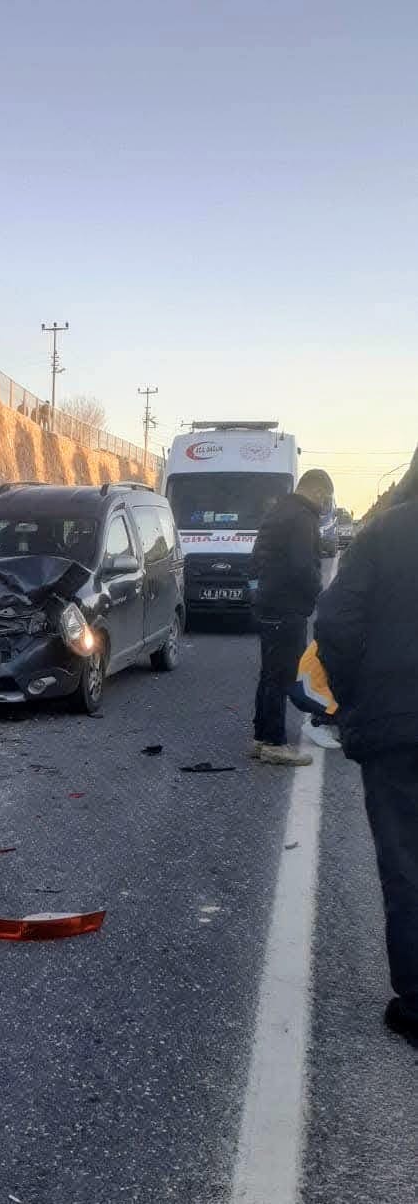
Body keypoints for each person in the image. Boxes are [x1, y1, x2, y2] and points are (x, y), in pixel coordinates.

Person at [316, 448, 418, 1050]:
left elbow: (335, 621)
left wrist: (354, 699)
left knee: (406, 861)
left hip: (397, 728)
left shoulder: (384, 535)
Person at [250, 468, 334, 766]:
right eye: (326, 497)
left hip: (268, 603)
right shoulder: (303, 517)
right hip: (287, 607)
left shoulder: (278, 511)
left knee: (269, 673)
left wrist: (259, 590)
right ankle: (274, 743)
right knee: (283, 674)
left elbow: (256, 557)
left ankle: (261, 737)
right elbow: (303, 566)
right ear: (317, 491)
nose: (326, 504)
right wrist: (318, 592)